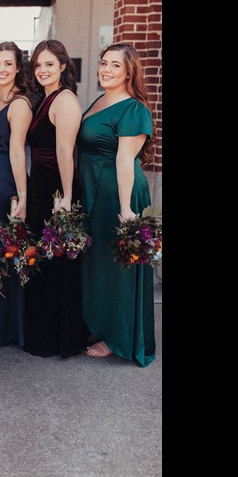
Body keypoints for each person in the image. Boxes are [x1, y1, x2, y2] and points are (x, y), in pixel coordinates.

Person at [79, 43, 157, 365]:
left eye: (115, 65)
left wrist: (126, 211)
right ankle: (99, 324)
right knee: (98, 265)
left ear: (129, 71)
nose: (106, 70)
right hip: (93, 190)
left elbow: (126, 160)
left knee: (118, 269)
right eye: (103, 63)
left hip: (118, 193)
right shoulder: (100, 101)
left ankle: (118, 337)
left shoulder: (133, 109)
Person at [22, 40, 88, 358]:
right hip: (42, 186)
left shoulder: (65, 100)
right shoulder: (44, 98)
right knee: (44, 261)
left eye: (49, 64)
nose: (43, 70)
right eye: (38, 65)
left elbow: (65, 151)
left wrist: (66, 198)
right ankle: (43, 334)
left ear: (63, 66)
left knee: (57, 262)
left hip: (57, 189)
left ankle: (59, 338)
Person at [0, 42, 37, 348]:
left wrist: (22, 197)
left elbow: (17, 152)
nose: (1, 69)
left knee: (6, 253)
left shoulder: (20, 104)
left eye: (7, 64)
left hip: (5, 182)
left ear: (17, 68)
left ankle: (8, 329)